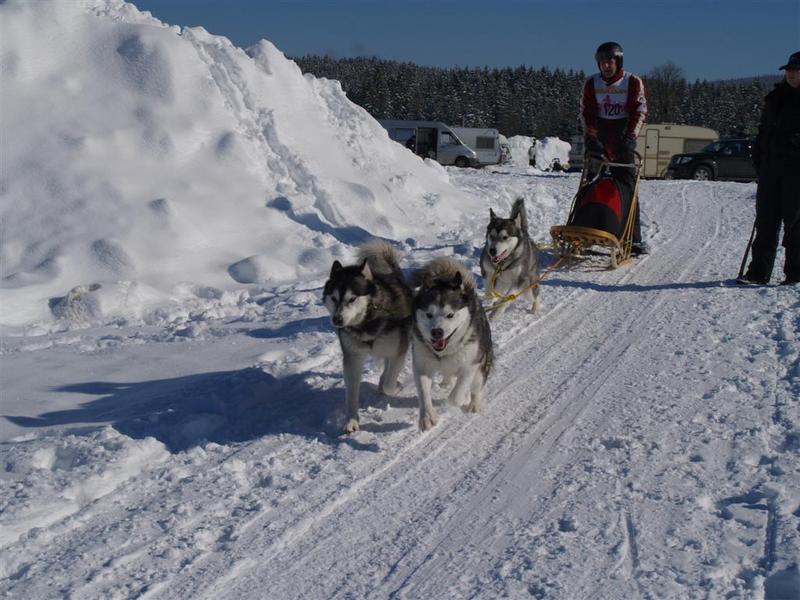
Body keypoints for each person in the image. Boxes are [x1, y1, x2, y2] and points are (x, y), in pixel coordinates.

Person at [580, 41, 649, 254]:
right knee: (589, 183)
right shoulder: (591, 83)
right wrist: (591, 137)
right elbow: (586, 113)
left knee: (627, 187)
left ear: (618, 61)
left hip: (622, 137)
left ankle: (633, 239)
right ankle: (585, 230)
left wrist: (630, 138)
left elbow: (640, 111)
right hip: (599, 136)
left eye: (609, 62)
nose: (606, 66)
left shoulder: (632, 82)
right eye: (602, 63)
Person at [738, 51, 800, 286]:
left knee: (794, 222)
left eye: (796, 70)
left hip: (796, 169)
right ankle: (758, 272)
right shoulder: (775, 97)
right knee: (765, 221)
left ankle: (795, 273)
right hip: (770, 168)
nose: (791, 74)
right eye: (789, 71)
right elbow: (763, 130)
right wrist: (759, 157)